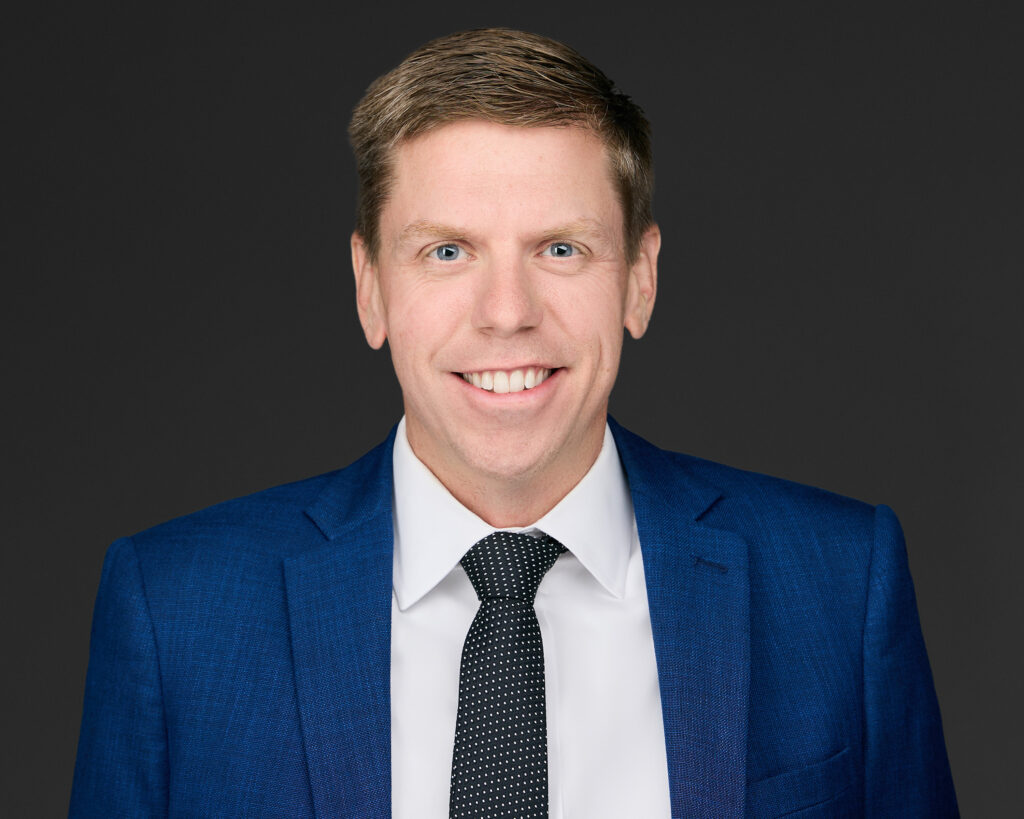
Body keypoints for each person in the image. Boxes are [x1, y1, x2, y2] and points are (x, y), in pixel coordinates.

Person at [70, 28, 957, 818]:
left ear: (639, 280)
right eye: (447, 251)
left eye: (560, 249)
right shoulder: (174, 610)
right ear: (371, 286)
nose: (505, 312)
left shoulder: (842, 585)